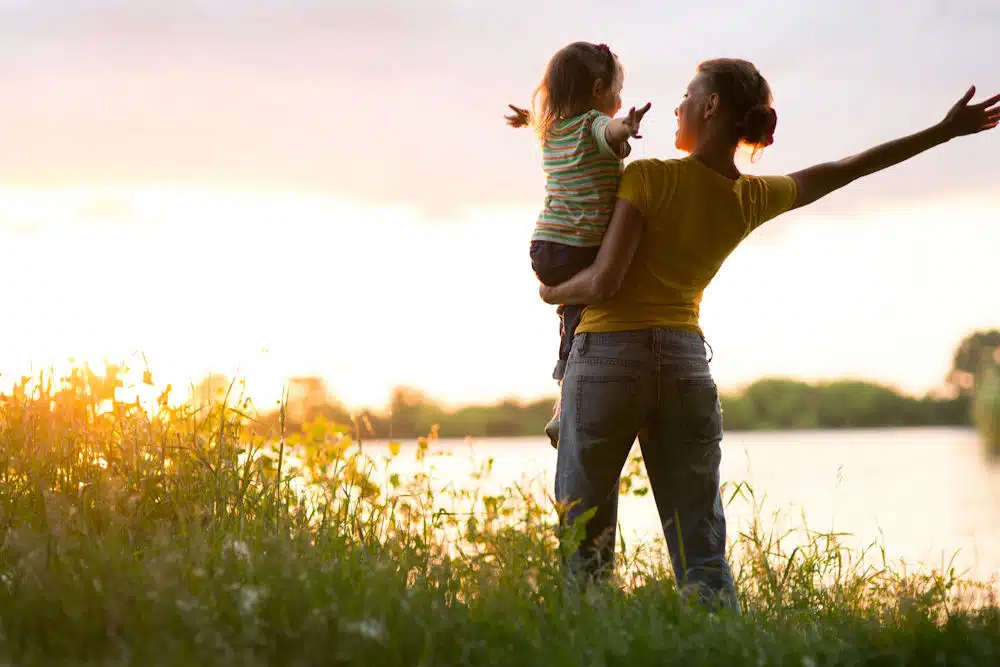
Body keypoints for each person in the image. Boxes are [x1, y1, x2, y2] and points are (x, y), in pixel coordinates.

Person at [539, 57, 1000, 610]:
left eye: (689, 95)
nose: (678, 106)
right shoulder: (751, 197)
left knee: (584, 551)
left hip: (608, 359)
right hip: (686, 368)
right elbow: (849, 167)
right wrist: (943, 132)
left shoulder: (649, 176)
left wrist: (554, 292)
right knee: (703, 559)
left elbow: (606, 278)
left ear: (711, 108)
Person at [505, 41, 651, 448]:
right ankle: (567, 405)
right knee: (594, 305)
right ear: (598, 89)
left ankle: (562, 402)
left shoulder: (551, 127)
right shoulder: (592, 124)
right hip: (578, 245)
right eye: (616, 92)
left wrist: (526, 118)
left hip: (547, 246)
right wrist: (627, 125)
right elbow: (611, 129)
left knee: (573, 313)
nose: (619, 100)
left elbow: (541, 118)